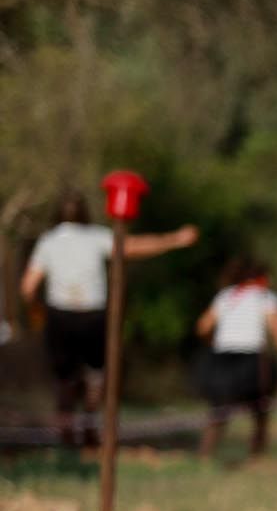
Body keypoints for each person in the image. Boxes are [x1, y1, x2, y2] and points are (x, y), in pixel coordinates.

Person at [18, 190, 198, 447]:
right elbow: (133, 247)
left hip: (60, 316)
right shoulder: (96, 237)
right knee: (96, 374)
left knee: (64, 378)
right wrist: (175, 239)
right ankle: (90, 428)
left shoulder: (48, 241)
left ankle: (66, 434)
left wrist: (36, 312)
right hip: (93, 315)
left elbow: (27, 288)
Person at [194, 257, 277, 461]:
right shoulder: (265, 298)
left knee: (219, 410)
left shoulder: (225, 296)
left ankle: (205, 454)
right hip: (251, 360)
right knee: (260, 410)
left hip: (222, 359)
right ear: (261, 278)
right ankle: (257, 456)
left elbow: (203, 326)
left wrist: (213, 343)